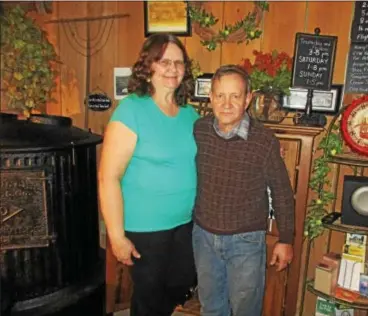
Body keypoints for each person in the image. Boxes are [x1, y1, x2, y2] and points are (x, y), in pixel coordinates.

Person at [98, 34, 199, 316]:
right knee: (150, 297)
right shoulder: (131, 110)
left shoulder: (190, 114)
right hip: (145, 227)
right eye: (164, 61)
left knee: (182, 283)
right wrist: (117, 237)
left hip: (186, 222)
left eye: (179, 63)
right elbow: (108, 178)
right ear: (149, 66)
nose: (173, 68)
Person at [192, 64, 295, 316]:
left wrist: (286, 239)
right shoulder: (198, 130)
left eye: (235, 96)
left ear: (248, 99)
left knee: (245, 310)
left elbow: (281, 191)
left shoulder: (264, 141)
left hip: (246, 241)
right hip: (203, 237)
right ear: (211, 97)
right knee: (210, 308)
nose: (226, 104)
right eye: (220, 96)